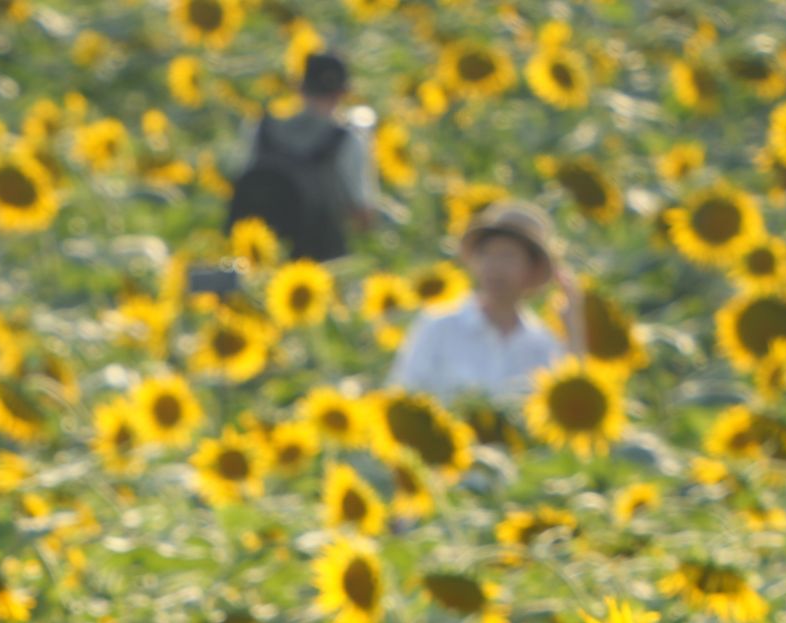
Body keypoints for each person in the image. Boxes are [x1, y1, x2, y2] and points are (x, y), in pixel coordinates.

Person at [388, 198, 587, 402]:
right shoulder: (439, 325)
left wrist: (574, 330)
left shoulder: (542, 346)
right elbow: (403, 393)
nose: (494, 267)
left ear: (531, 270)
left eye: (508, 256)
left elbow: (573, 407)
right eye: (486, 254)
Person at [223, 51, 382, 264]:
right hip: (318, 267)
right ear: (343, 93)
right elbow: (362, 216)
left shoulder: (261, 129)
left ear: (299, 88)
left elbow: (236, 185)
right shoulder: (346, 141)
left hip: (253, 260)